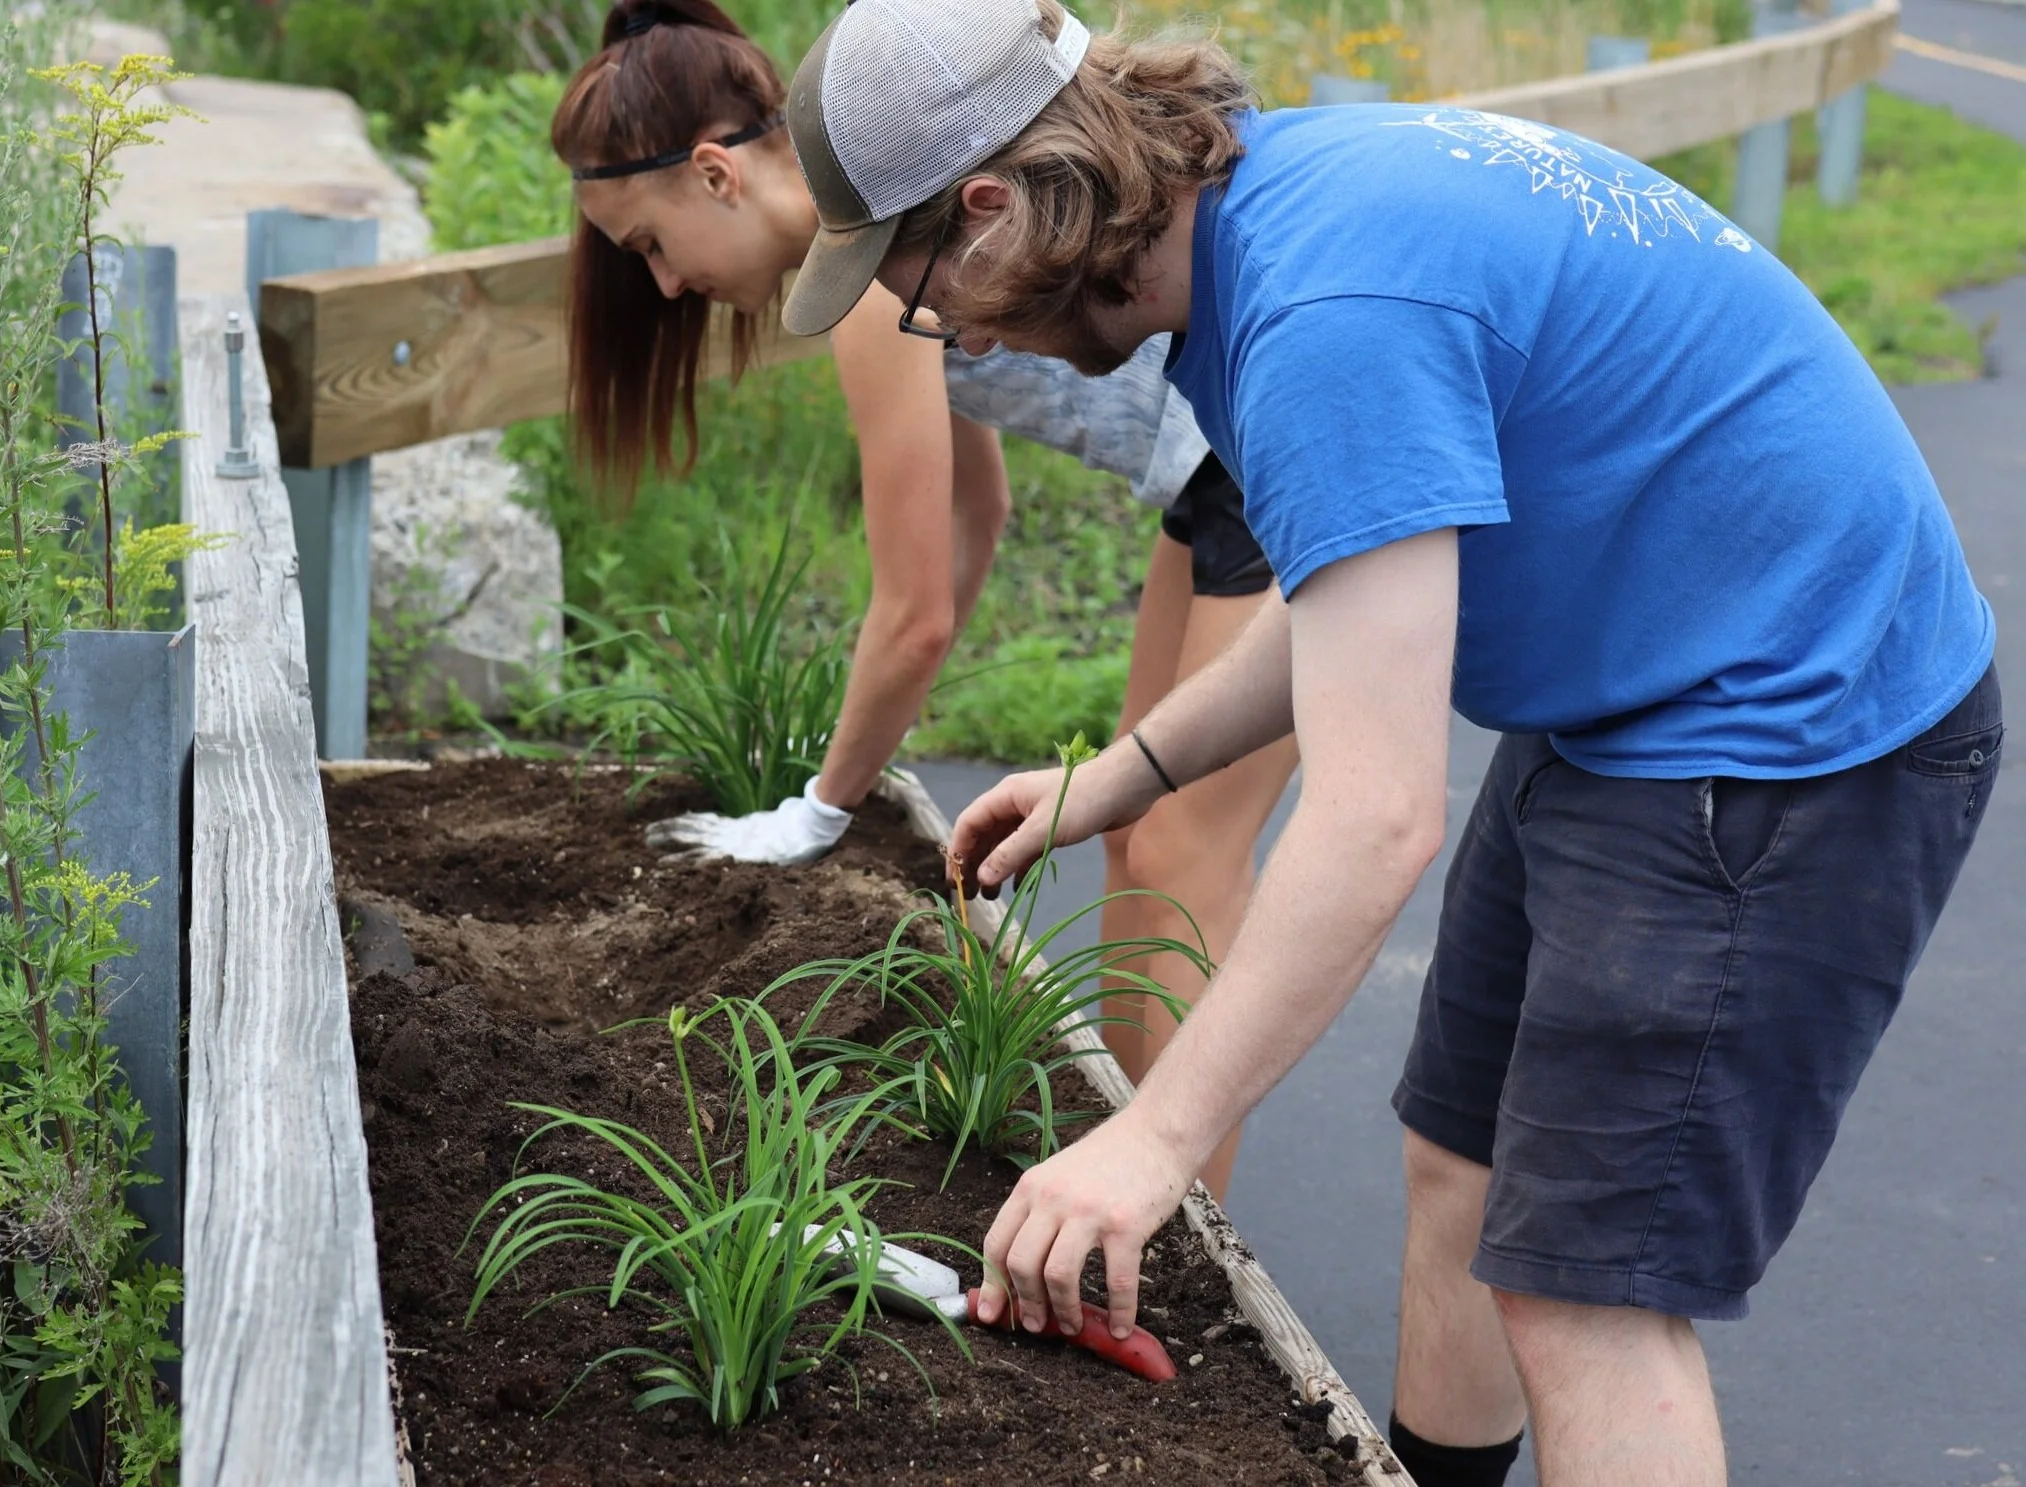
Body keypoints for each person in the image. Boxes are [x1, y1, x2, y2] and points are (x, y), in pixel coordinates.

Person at [774, 2, 2002, 1484]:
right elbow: (1355, 584)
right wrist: (1122, 778)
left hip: (1786, 728)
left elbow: (1372, 820)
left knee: (1588, 1295)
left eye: (924, 290)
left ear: (988, 212)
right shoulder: (1264, 214)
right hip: (1635, 685)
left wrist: (1151, 1138)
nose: (955, 333)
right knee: (1464, 1168)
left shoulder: (1321, 315)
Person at [548, 0, 1298, 1199]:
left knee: (1178, 842)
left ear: (713, 174)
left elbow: (912, 614)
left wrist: (821, 807)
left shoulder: (863, 280)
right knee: (1134, 826)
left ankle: (1174, 1215)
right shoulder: (876, 250)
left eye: (648, 243)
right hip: (1208, 464)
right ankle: (1147, 1185)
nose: (669, 286)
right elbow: (970, 520)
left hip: (1259, 448)